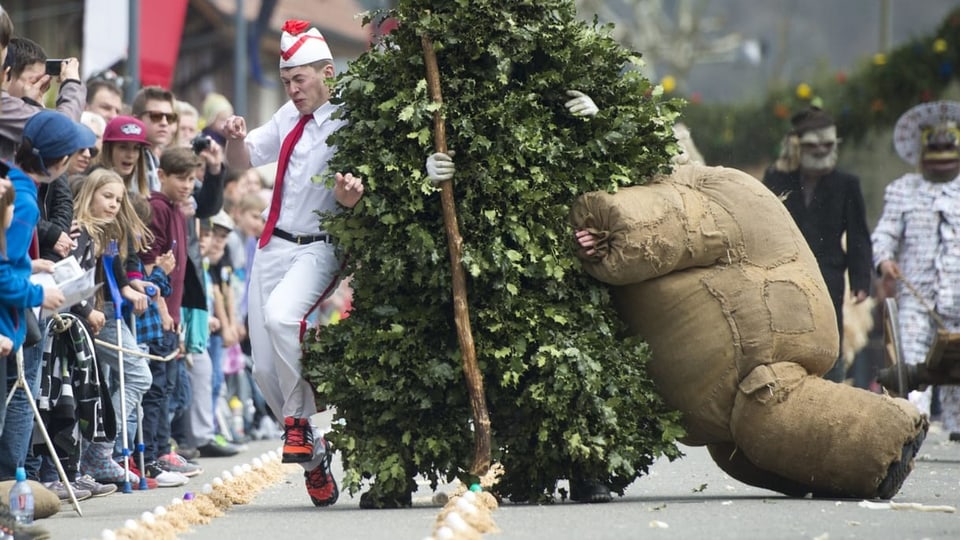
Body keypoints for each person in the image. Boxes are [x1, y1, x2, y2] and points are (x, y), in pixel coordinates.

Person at [223, 18, 365, 508]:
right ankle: (313, 456)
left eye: (299, 79)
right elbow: (242, 161)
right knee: (264, 368)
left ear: (327, 71)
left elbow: (364, 192)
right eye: (286, 81)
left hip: (319, 245)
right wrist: (235, 137)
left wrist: (351, 198)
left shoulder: (352, 117)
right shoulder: (287, 114)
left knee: (284, 317)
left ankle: (302, 424)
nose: (292, 88)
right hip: (271, 246)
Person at [762, 106, 873, 383]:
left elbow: (859, 235)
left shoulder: (847, 184)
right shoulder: (776, 179)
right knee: (785, 331)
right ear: (797, 145)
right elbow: (763, 224)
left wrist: (860, 281)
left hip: (829, 275)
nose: (822, 151)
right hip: (784, 272)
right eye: (814, 145)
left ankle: (830, 388)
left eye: (828, 144)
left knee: (828, 335)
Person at [0, 110, 82, 480]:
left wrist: (30, 265)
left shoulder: (10, 179)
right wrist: (37, 295)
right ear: (60, 161)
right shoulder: (24, 200)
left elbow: (7, 257)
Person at [872, 100, 960, 437]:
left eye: (947, 146)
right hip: (916, 298)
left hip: (957, 297)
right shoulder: (902, 190)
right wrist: (884, 260)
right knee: (912, 358)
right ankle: (914, 424)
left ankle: (956, 427)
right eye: (933, 147)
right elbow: (884, 234)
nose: (941, 153)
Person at [71, 168, 157, 488]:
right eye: (107, 196)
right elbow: (79, 278)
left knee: (116, 380)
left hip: (108, 311)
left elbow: (116, 273)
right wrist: (86, 308)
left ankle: (101, 452)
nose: (113, 205)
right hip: (95, 312)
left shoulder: (106, 232)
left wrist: (129, 289)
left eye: (118, 200)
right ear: (90, 194)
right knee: (138, 374)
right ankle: (100, 449)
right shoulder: (82, 233)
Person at [0, 37, 85, 161]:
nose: (41, 88)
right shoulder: (4, 107)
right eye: (35, 81)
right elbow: (64, 129)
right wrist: (72, 84)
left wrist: (31, 104)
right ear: (7, 74)